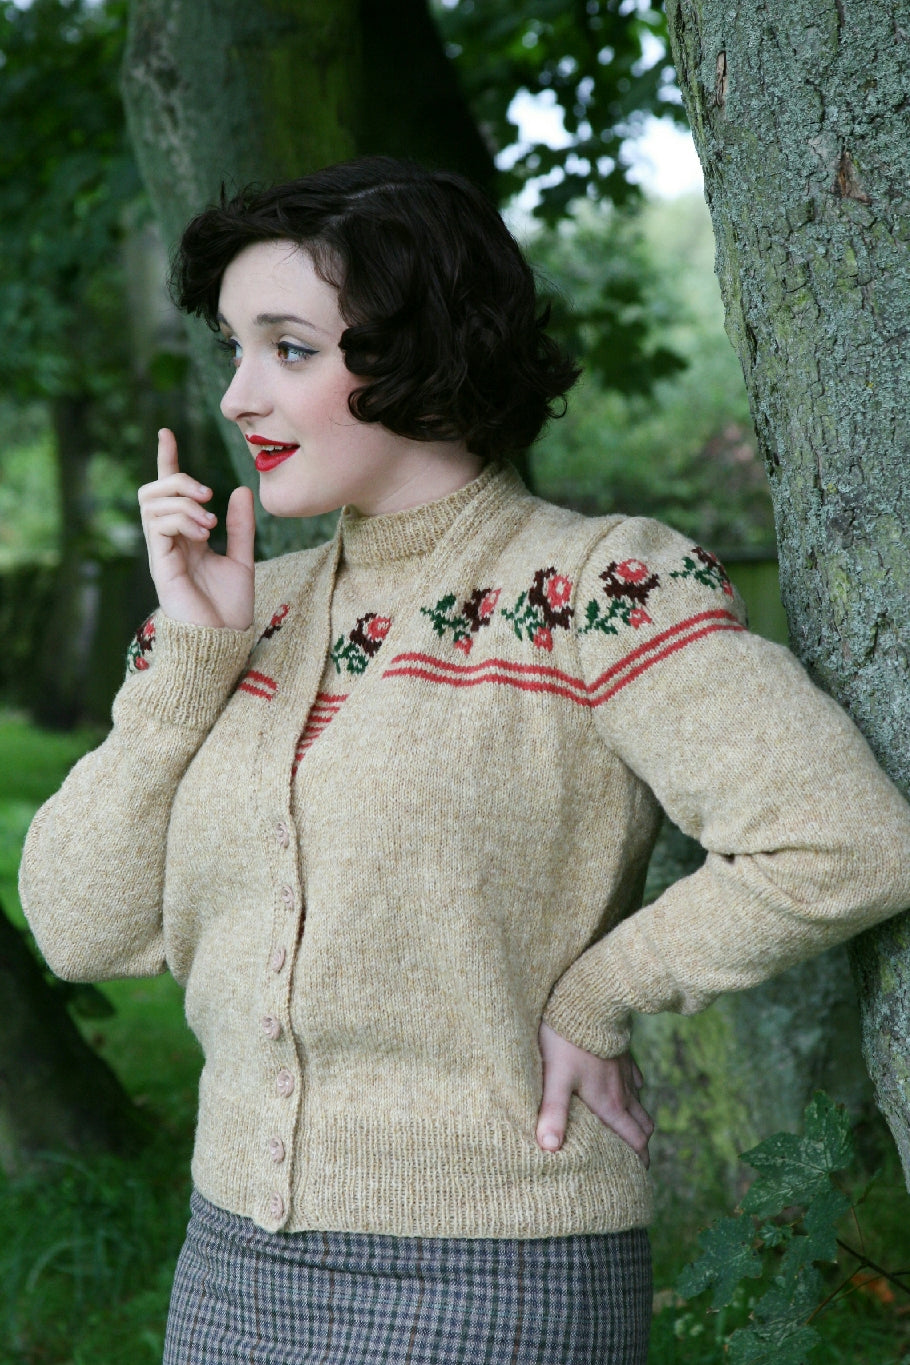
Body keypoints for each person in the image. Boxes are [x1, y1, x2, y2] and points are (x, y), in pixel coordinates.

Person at [19, 156, 910, 1365]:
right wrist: (186, 669)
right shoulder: (235, 615)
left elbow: (843, 842)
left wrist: (600, 993)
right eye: (233, 349)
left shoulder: (599, 588)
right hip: (229, 1261)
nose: (237, 396)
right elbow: (77, 929)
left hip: (500, 1266)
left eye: (289, 349)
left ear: (421, 351)